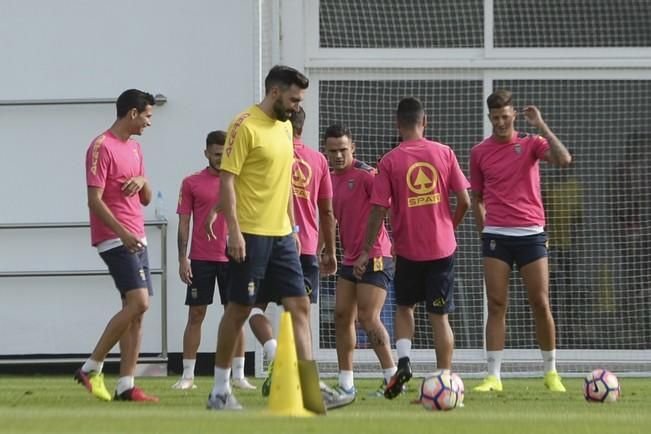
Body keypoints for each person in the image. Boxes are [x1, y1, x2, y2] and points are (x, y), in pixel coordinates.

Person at [206, 65, 353, 411]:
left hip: (284, 236)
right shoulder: (244, 126)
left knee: (300, 306)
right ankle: (219, 391)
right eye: (293, 98)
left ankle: (311, 390)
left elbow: (284, 180)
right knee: (239, 310)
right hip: (251, 235)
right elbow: (227, 181)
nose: (296, 106)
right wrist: (234, 231)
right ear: (275, 93)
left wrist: (293, 228)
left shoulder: (286, 127)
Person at [353, 97, 471, 399]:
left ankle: (404, 360)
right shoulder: (444, 153)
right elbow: (466, 201)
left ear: (397, 124)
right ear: (425, 122)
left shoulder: (389, 161)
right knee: (439, 316)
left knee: (405, 306)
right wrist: (448, 227)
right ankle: (444, 379)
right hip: (442, 248)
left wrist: (366, 249)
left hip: (406, 250)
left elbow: (378, 209)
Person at [470, 89, 572, 393]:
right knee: (497, 304)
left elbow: (564, 158)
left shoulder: (531, 144)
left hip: (531, 234)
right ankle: (494, 377)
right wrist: (484, 229)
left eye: (505, 116)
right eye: (495, 117)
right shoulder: (479, 152)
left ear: (514, 115)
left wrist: (540, 124)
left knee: (540, 302)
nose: (501, 122)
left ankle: (551, 372)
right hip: (496, 237)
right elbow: (476, 197)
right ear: (489, 118)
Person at [243, 106, 338, 397]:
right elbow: (327, 211)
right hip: (306, 246)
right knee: (300, 316)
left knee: (253, 310)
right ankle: (303, 377)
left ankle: (276, 357)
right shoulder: (318, 160)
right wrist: (330, 251)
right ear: (302, 127)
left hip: (268, 240)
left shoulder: (267, 152)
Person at [76, 89, 159, 402]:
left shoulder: (135, 149)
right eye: (148, 116)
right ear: (133, 114)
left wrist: (142, 180)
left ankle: (126, 384)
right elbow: (93, 201)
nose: (149, 123)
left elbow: (146, 197)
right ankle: (91, 366)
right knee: (140, 302)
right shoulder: (100, 147)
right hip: (115, 238)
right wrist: (123, 233)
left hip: (138, 236)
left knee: (136, 312)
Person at [172, 131, 255, 391]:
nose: (221, 159)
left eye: (224, 154)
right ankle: (188, 376)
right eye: (216, 154)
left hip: (234, 256)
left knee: (237, 314)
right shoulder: (191, 182)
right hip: (201, 258)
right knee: (196, 314)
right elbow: (184, 223)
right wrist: (182, 259)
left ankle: (239, 376)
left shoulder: (239, 180)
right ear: (206, 153)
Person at [324, 124, 397, 398]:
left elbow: (384, 209)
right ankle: (346, 384)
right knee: (343, 316)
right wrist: (325, 249)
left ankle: (393, 379)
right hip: (349, 258)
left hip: (376, 254)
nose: (339, 155)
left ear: (352, 148)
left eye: (343, 150)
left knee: (368, 316)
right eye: (333, 151)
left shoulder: (367, 175)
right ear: (326, 152)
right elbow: (328, 218)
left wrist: (372, 250)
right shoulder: (329, 179)